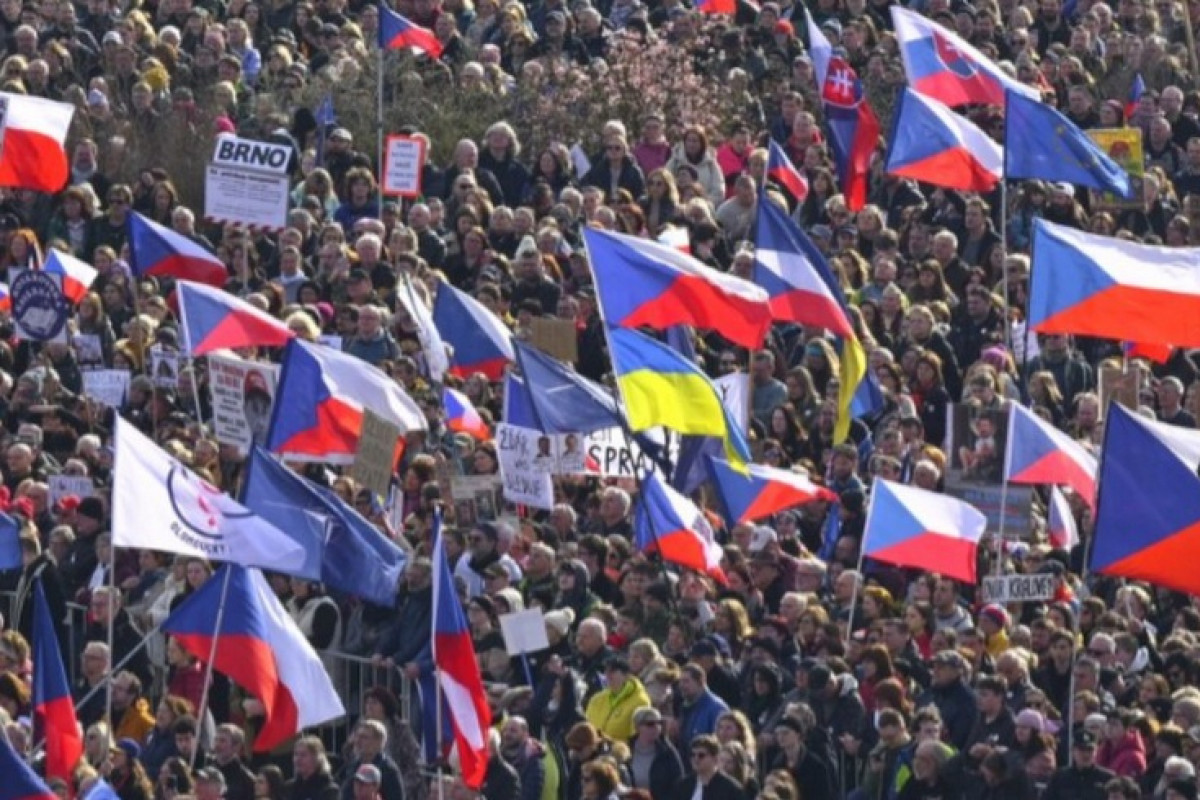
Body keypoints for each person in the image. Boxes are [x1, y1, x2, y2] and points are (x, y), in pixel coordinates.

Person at [673, 735, 744, 800]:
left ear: (715, 759)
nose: (696, 759)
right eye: (693, 755)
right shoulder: (684, 786)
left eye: (701, 755)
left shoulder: (730, 789)